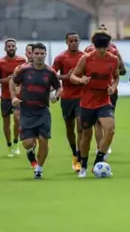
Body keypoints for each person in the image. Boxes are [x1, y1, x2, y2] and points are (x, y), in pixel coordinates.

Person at [71, 30, 119, 178]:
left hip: (104, 101)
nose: (102, 50)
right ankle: (84, 165)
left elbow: (116, 77)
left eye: (105, 47)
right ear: (94, 45)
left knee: (110, 130)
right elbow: (73, 76)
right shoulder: (86, 59)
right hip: (87, 102)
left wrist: (113, 87)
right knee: (86, 135)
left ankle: (99, 160)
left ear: (108, 46)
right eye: (99, 47)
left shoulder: (113, 59)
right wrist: (80, 80)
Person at [10, 42, 62, 179]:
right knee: (28, 143)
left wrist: (56, 96)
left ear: (45, 54)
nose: (39, 56)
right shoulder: (24, 70)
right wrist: (14, 97)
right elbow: (12, 82)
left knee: (44, 140)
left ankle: (39, 169)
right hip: (26, 112)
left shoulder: (50, 72)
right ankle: (30, 150)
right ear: (31, 54)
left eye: (42, 54)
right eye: (36, 53)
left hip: (43, 112)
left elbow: (59, 87)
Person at [85, 25, 126, 157]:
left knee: (107, 122)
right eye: (101, 29)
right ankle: (100, 149)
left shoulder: (114, 51)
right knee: (97, 123)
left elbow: (122, 70)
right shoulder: (87, 52)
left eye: (105, 29)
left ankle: (103, 146)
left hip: (109, 92)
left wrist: (109, 75)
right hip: (92, 93)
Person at [52, 32, 84, 172]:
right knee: (70, 129)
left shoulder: (84, 57)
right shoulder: (61, 58)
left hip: (82, 97)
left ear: (79, 41)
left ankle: (80, 157)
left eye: (76, 40)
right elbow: (52, 75)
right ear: (66, 42)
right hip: (67, 97)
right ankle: (74, 152)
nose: (73, 43)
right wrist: (66, 76)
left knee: (81, 127)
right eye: (71, 41)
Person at [0, 39, 26, 157]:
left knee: (17, 119)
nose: (11, 48)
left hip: (17, 96)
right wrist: (8, 80)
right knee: (6, 122)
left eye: (13, 46)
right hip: (5, 96)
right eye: (8, 46)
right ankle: (9, 145)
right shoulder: (1, 62)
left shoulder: (22, 61)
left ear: (16, 48)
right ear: (5, 49)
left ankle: (16, 143)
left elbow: (25, 78)